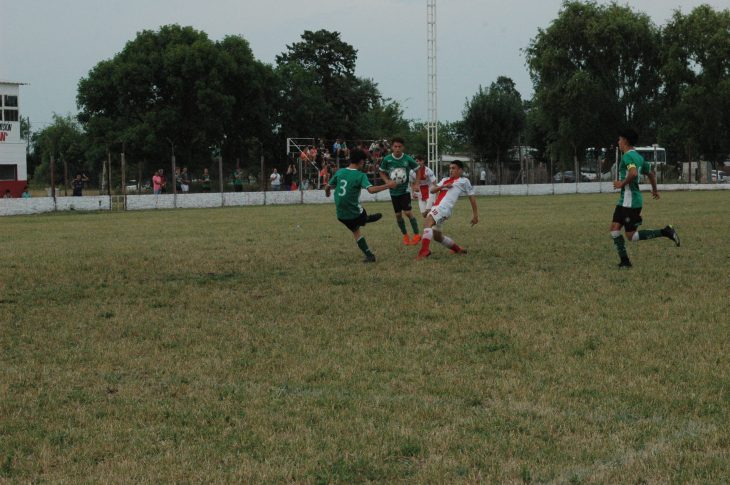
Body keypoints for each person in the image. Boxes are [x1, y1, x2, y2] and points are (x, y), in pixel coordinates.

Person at [610, 128, 680, 268]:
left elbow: (633, 173)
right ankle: (625, 262)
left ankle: (665, 231)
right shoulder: (639, 157)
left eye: (619, 139)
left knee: (631, 236)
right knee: (614, 230)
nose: (618, 142)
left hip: (630, 203)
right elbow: (651, 174)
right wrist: (654, 190)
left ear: (625, 141)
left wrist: (621, 184)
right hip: (625, 201)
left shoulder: (627, 157)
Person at [325, 149, 396, 263]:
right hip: (355, 213)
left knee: (356, 231)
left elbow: (328, 186)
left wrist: (327, 192)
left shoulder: (340, 172)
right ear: (361, 161)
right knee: (359, 216)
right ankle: (366, 219)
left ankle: (369, 255)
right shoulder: (360, 175)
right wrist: (388, 185)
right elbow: (371, 190)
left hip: (340, 214)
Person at [416, 160, 479, 260]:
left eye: (453, 168)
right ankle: (457, 249)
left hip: (443, 208)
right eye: (450, 168)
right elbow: (432, 190)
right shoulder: (445, 180)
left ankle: (424, 251)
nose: (451, 170)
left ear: (460, 170)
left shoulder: (464, 181)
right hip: (440, 208)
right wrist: (443, 186)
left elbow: (472, 197)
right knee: (437, 236)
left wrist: (475, 215)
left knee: (427, 223)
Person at [379, 137, 421, 245]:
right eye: (395, 146)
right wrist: (387, 181)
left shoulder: (407, 159)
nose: (397, 149)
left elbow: (418, 169)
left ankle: (416, 235)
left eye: (399, 147)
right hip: (393, 192)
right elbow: (381, 172)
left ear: (403, 147)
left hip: (405, 190)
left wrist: (416, 183)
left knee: (407, 212)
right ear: (392, 147)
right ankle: (405, 235)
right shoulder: (387, 159)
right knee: (398, 215)